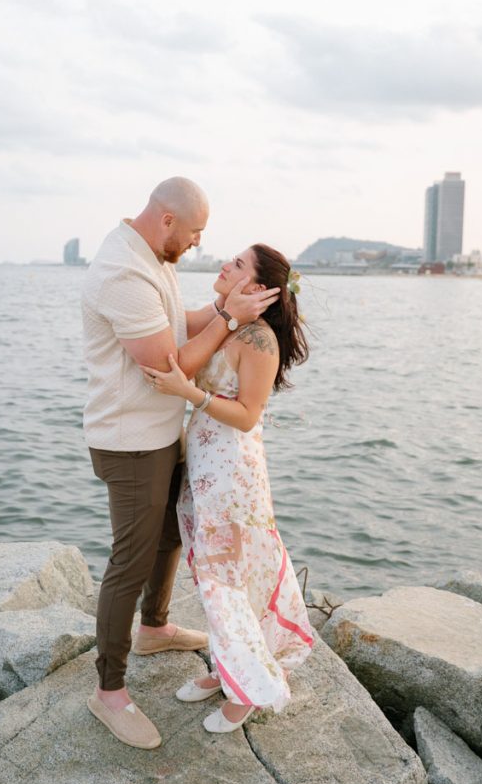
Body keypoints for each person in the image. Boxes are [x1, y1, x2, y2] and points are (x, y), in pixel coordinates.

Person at [82, 178, 280, 750]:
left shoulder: (152, 256)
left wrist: (222, 309)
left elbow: (180, 323)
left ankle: (154, 628)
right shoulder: (124, 272)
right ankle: (109, 692)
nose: (198, 245)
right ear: (168, 220)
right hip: (130, 440)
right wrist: (229, 319)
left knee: (168, 536)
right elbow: (169, 365)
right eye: (195, 233)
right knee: (131, 558)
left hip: (162, 433)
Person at [142, 243, 313, 734]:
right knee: (211, 575)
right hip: (203, 470)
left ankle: (250, 689)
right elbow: (178, 331)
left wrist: (190, 394)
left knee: (228, 581)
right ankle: (228, 670)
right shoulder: (229, 324)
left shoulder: (260, 341)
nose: (224, 265)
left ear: (258, 289)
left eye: (237, 264)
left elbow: (247, 416)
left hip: (233, 476)